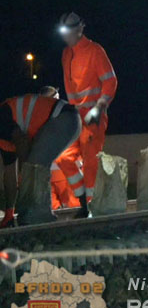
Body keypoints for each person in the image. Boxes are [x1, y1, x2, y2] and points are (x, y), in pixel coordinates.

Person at [58, 12, 118, 216]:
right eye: (63, 32)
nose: (65, 36)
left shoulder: (95, 50)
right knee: (63, 157)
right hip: (75, 117)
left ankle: (91, 207)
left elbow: (110, 81)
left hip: (93, 116)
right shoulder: (66, 54)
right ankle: (84, 202)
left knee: (91, 161)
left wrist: (99, 107)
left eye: (69, 31)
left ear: (80, 29)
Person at [0, 94, 81, 227]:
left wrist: (24, 179)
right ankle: (35, 217)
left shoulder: (2, 119)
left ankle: (40, 219)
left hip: (64, 118)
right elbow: (9, 177)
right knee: (33, 167)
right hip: (63, 120)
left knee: (34, 166)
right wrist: (9, 213)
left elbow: (23, 143)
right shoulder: (3, 141)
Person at [38, 86, 82, 211]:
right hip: (65, 173)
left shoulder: (37, 118)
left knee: (53, 213)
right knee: (74, 210)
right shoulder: (67, 115)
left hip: (48, 174)